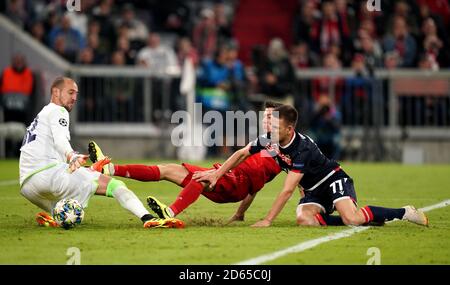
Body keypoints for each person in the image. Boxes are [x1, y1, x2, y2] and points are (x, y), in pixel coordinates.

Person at [194, 105, 429, 228]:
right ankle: (368, 218)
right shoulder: (270, 140)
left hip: (333, 180)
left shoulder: (302, 148)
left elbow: (287, 190)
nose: (270, 130)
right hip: (313, 189)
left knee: (352, 220)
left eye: (276, 127)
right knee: (304, 220)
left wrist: (267, 220)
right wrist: (217, 173)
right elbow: (241, 153)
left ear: (289, 129)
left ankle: (405, 212)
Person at [19, 77, 183, 229]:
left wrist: (88, 169)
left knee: (67, 203)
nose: (74, 98)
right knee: (115, 185)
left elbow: (54, 155)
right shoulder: (58, 111)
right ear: (55, 92)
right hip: (49, 178)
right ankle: (148, 218)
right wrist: (73, 155)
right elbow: (60, 141)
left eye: (76, 93)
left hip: (28, 186)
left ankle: (56, 217)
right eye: (70, 92)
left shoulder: (42, 115)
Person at [88, 101, 284, 223]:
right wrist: (240, 214)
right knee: (167, 169)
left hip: (234, 182)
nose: (265, 120)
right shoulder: (265, 141)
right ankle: (109, 168)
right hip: (227, 174)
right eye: (264, 116)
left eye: (270, 117)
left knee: (199, 178)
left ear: (281, 122)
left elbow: (255, 183)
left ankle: (170, 212)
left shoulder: (282, 150)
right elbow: (254, 181)